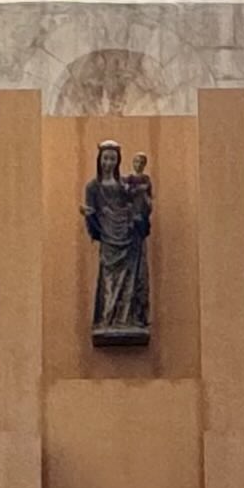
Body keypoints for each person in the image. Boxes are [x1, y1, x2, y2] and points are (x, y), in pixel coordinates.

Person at [83, 141, 153, 343]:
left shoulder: (125, 185)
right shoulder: (93, 187)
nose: (109, 162)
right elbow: (92, 212)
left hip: (128, 236)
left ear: (118, 160)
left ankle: (128, 318)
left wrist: (140, 206)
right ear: (100, 160)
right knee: (109, 279)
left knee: (131, 278)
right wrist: (90, 215)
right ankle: (108, 318)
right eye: (105, 158)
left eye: (112, 158)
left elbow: (138, 204)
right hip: (109, 239)